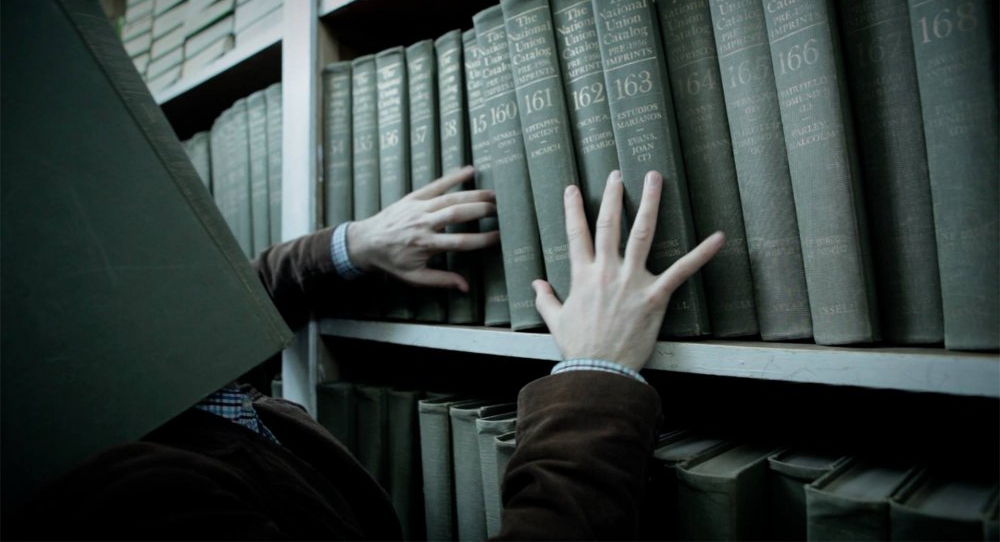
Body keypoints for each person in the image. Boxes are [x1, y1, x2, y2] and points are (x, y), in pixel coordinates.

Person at [14, 165, 723, 540]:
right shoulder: (128, 504)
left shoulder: (111, 367)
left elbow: (225, 303)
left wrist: (355, 245)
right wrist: (596, 376)